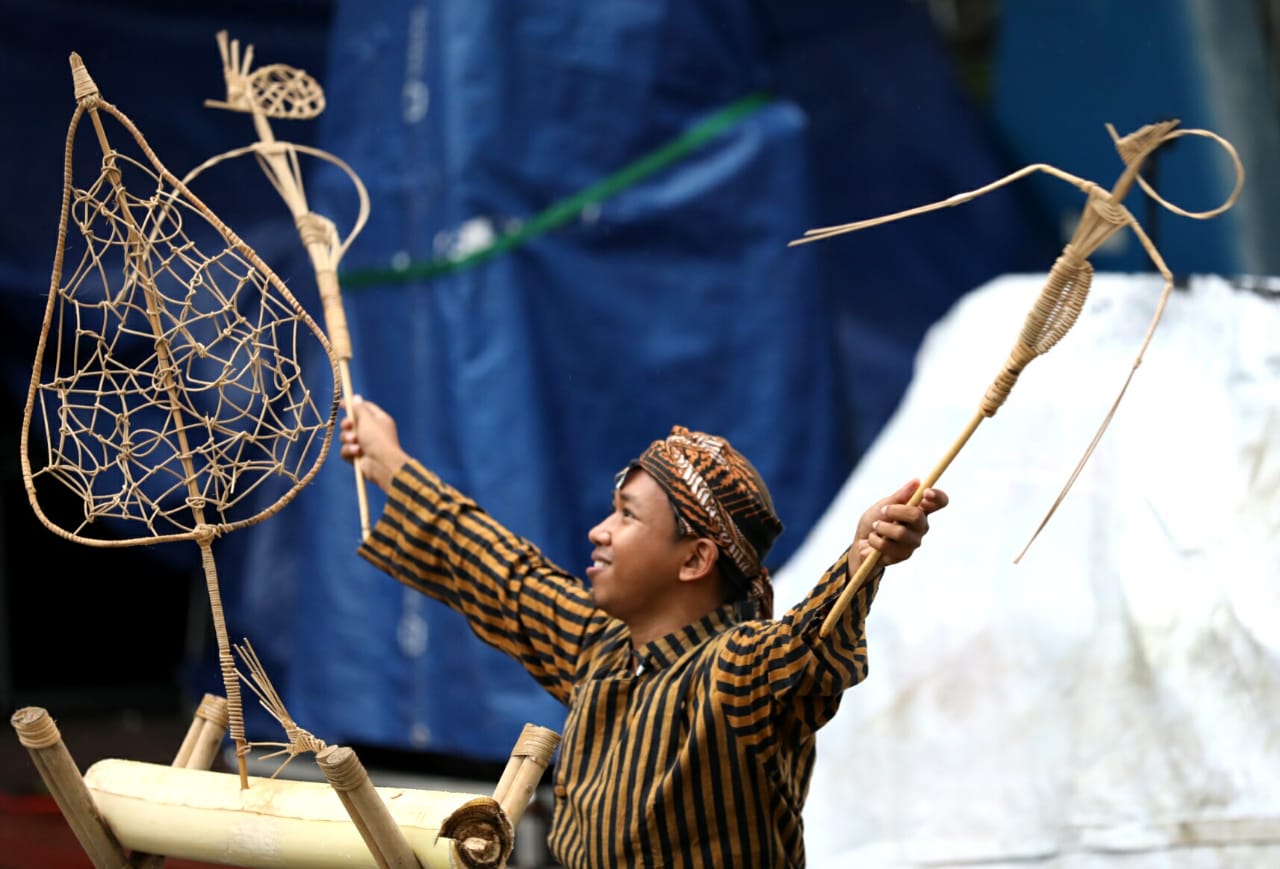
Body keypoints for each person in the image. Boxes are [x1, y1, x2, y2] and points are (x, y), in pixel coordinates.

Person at [340, 396, 949, 868]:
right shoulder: (601, 650)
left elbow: (807, 646)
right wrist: (390, 464)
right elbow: (505, 575)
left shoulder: (736, 672)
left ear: (694, 560)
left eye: (628, 515)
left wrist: (861, 557)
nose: (599, 532)